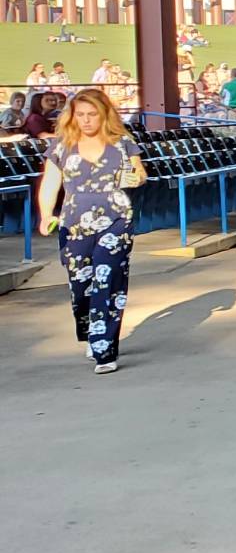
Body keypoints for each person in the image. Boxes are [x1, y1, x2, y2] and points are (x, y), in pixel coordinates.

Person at [36, 89, 146, 374]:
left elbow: (139, 173)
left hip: (116, 219)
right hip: (74, 223)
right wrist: (46, 214)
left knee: (107, 281)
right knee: (80, 286)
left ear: (104, 114)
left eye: (92, 114)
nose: (86, 120)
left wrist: (133, 179)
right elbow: (50, 183)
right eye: (80, 114)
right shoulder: (62, 146)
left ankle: (104, 348)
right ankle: (90, 329)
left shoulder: (122, 143)